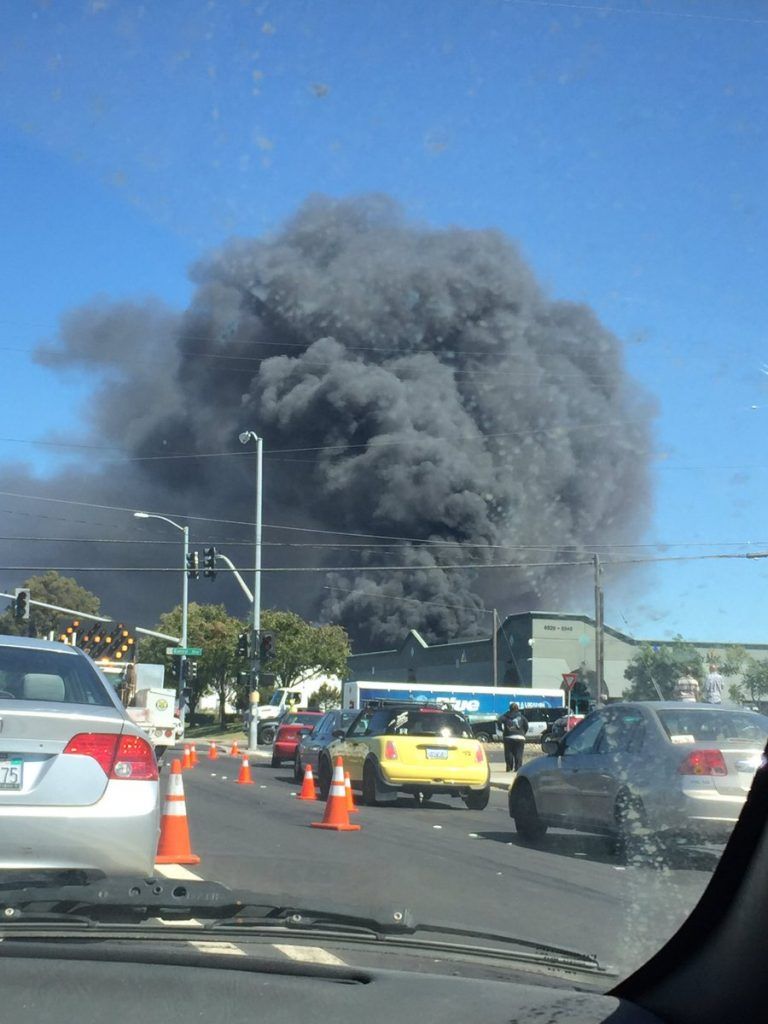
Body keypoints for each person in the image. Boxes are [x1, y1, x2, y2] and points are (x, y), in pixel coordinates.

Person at [498, 702, 528, 772]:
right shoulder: (522, 717)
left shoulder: (505, 716)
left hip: (508, 736)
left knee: (509, 753)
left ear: (510, 709)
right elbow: (526, 726)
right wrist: (523, 733)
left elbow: (499, 721)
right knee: (519, 753)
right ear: (517, 709)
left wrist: (501, 729)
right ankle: (518, 768)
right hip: (520, 737)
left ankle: (509, 768)